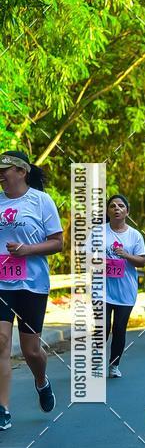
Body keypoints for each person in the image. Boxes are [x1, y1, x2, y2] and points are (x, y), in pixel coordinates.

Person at [0, 151, 63, 428]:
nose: (0, 175)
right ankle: (3, 408)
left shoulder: (41, 200)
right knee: (1, 341)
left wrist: (27, 250)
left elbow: (58, 242)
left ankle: (41, 380)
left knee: (31, 351)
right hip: (2, 283)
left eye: (4, 169)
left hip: (32, 284)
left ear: (21, 171)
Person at [104, 195, 145, 377]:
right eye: (112, 206)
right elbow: (86, 256)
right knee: (102, 328)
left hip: (125, 291)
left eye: (121, 206)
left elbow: (143, 261)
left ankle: (114, 366)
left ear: (127, 211)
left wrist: (125, 255)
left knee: (119, 329)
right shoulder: (98, 233)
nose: (117, 208)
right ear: (107, 211)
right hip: (102, 290)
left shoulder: (134, 235)